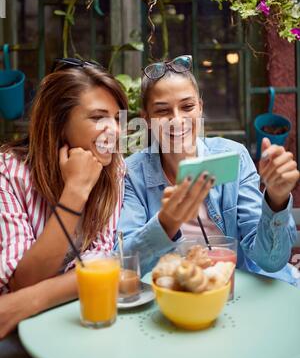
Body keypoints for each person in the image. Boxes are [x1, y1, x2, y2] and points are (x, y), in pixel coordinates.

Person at [116, 55, 300, 285]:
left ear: (200, 108)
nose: (177, 119)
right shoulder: (132, 174)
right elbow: (124, 263)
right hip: (174, 295)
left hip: (237, 289)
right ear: (146, 119)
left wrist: (277, 199)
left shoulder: (234, 157)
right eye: (162, 111)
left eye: (187, 106)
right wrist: (166, 223)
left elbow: (270, 261)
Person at [0, 58, 127, 338]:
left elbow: (102, 263)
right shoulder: (8, 174)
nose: (115, 131)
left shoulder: (113, 170)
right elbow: (22, 281)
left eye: (117, 119)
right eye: (98, 117)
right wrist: (75, 193)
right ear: (58, 123)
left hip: (75, 316)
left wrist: (33, 298)